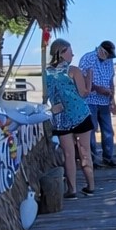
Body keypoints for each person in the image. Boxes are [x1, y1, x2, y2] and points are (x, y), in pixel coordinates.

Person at [46, 38, 95, 196]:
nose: (73, 54)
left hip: (61, 119)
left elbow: (48, 94)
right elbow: (83, 93)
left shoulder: (46, 71)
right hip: (79, 114)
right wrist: (89, 80)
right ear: (62, 52)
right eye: (70, 51)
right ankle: (91, 186)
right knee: (85, 152)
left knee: (68, 154)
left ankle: (72, 189)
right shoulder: (73, 70)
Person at [79, 39, 116, 168]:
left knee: (108, 130)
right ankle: (93, 159)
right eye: (107, 55)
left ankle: (108, 157)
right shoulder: (87, 58)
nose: (108, 58)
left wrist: (113, 101)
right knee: (91, 131)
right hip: (90, 101)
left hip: (104, 102)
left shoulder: (109, 62)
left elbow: (110, 81)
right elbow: (81, 81)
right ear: (101, 51)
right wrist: (97, 89)